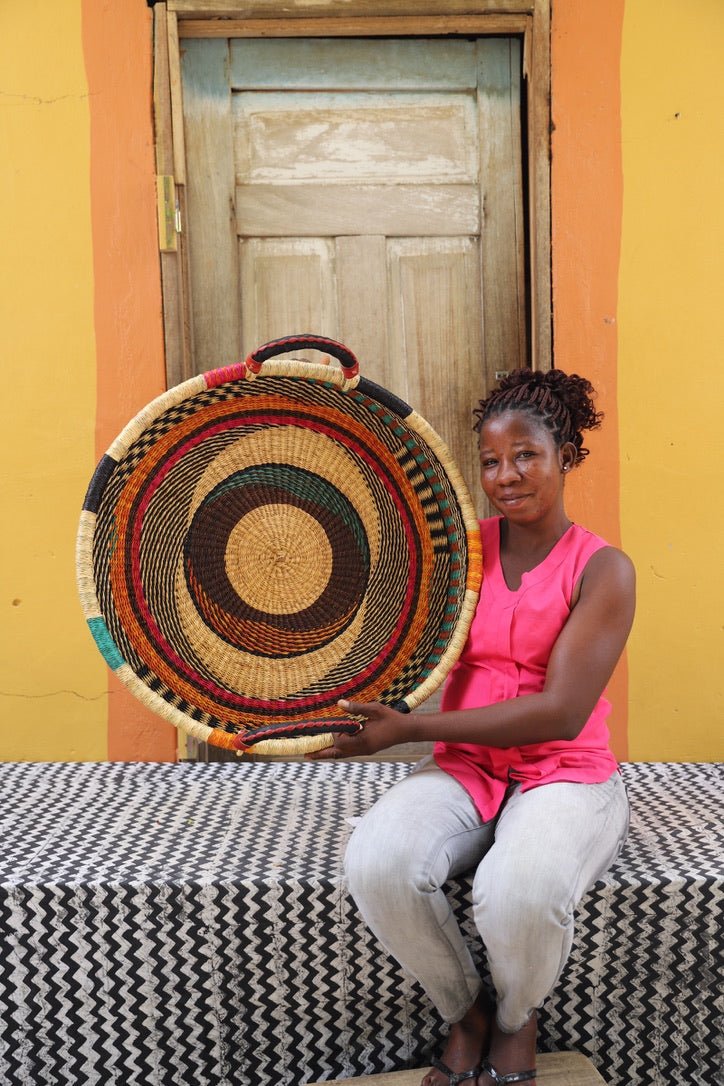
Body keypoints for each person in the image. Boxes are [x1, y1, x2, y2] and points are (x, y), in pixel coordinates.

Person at [307, 368, 636, 1086]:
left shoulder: (604, 570)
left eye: (527, 455)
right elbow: (393, 636)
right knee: (378, 861)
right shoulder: (460, 554)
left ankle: (518, 1019)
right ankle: (467, 1012)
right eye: (490, 461)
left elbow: (561, 711)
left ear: (566, 457)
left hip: (567, 774)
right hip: (468, 768)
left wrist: (407, 731)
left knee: (516, 891)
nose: (506, 475)